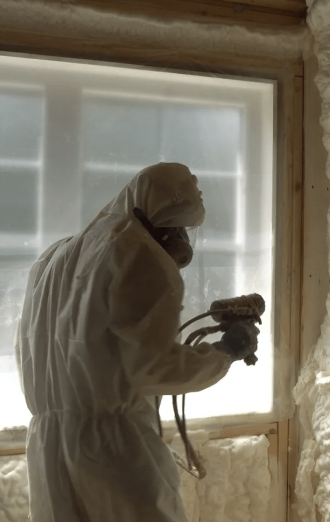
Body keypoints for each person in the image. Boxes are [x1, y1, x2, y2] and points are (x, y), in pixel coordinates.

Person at [16, 162, 257, 522]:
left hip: (48, 447)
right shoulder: (139, 254)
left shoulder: (55, 258)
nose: (183, 242)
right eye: (179, 227)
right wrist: (225, 352)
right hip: (112, 453)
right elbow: (153, 369)